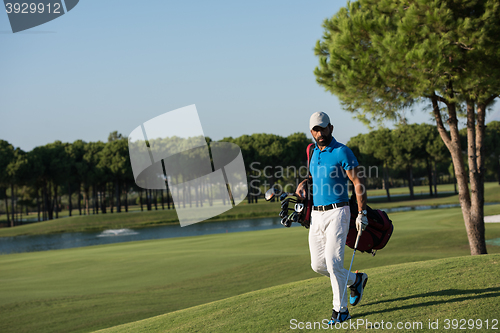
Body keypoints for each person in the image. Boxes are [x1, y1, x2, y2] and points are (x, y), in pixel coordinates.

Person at [296, 111, 369, 324]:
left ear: (331, 128)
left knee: (333, 261)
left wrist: (362, 212)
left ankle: (341, 311)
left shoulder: (342, 151)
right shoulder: (312, 152)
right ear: (311, 132)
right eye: (316, 129)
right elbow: (314, 176)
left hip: (338, 211)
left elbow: (358, 181)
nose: (320, 133)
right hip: (317, 216)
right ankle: (356, 280)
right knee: (318, 265)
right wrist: (304, 183)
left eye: (323, 128)